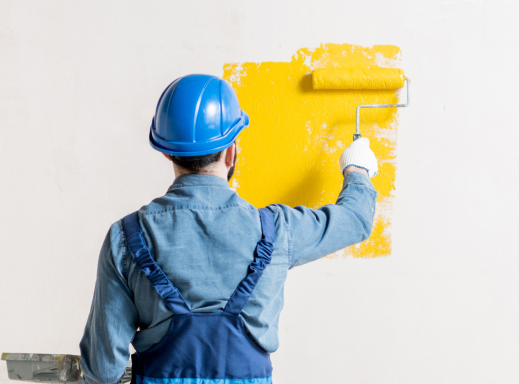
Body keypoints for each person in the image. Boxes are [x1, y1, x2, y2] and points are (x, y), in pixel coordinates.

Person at [79, 74, 379, 384]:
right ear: (232, 152)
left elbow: (103, 371)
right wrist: (357, 170)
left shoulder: (127, 237)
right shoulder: (277, 230)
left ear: (168, 152)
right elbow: (355, 220)